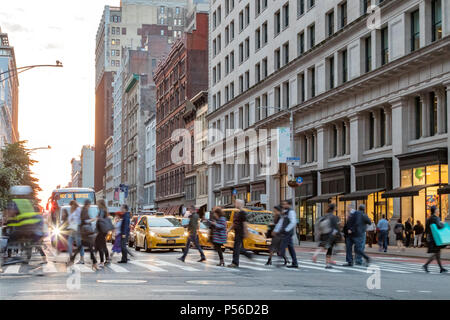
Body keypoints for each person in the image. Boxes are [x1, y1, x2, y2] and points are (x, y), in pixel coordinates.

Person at [4, 185, 47, 264]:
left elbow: (10, 213)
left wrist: (6, 220)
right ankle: (33, 256)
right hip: (33, 228)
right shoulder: (28, 202)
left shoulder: (14, 202)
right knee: (33, 242)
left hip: (22, 228)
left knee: (11, 238)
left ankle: (8, 257)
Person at [68, 200, 98, 271]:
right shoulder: (83, 210)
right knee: (83, 246)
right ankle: (93, 262)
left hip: (82, 230)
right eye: (89, 205)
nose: (89, 206)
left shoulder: (81, 209)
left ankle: (74, 260)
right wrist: (93, 219)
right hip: (83, 231)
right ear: (87, 205)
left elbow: (82, 220)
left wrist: (91, 220)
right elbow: (84, 220)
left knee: (82, 246)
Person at [312, 203, 340, 269]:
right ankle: (327, 264)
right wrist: (338, 234)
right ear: (334, 209)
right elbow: (336, 227)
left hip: (323, 234)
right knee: (329, 249)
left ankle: (315, 255)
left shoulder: (324, 216)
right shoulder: (333, 217)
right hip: (330, 235)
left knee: (322, 246)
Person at [273, 200, 299, 269]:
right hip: (285, 232)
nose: (283, 206)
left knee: (282, 246)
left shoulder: (291, 212)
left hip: (287, 233)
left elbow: (293, 222)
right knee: (291, 248)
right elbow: (280, 222)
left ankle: (279, 261)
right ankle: (295, 263)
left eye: (285, 204)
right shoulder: (285, 213)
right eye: (283, 204)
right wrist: (276, 230)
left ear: (289, 205)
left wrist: (286, 229)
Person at [228, 199, 253, 268]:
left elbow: (245, 223)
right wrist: (228, 230)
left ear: (240, 204)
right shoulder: (237, 212)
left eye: (236, 203)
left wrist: (245, 232)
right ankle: (248, 254)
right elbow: (234, 223)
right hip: (237, 231)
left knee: (236, 248)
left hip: (240, 232)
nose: (235, 204)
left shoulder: (242, 213)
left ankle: (235, 263)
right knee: (240, 248)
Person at [423, 206, 448, 273]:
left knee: (437, 253)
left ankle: (441, 268)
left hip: (431, 237)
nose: (439, 211)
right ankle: (426, 265)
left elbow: (426, 229)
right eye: (438, 210)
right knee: (436, 253)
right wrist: (443, 224)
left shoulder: (429, 218)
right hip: (435, 238)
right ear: (435, 211)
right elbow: (439, 226)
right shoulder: (436, 218)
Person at [95, 200, 110, 268]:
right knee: (103, 245)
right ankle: (107, 258)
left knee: (100, 245)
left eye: (98, 203)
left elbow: (100, 220)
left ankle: (102, 262)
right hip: (104, 230)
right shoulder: (104, 210)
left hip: (101, 230)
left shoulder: (101, 210)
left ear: (100, 204)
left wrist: (96, 218)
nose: (97, 204)